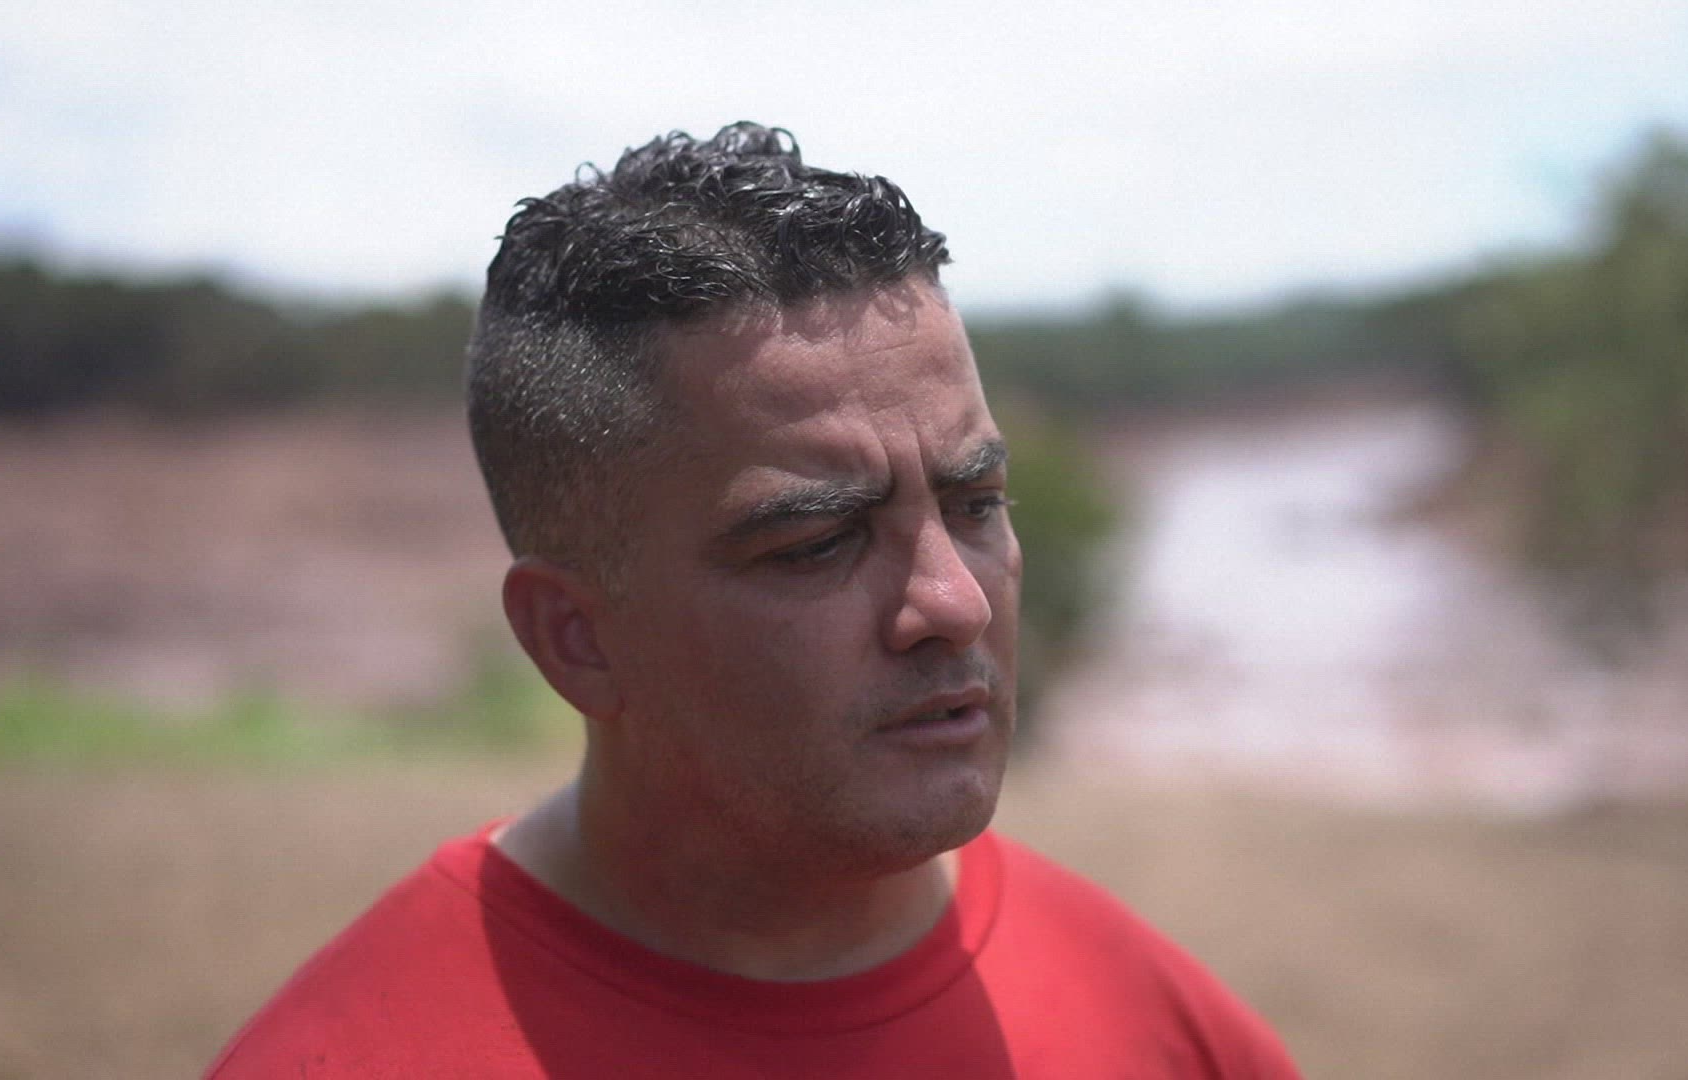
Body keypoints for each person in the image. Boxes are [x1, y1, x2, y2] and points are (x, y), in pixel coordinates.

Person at [207, 122, 1301, 1078]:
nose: (954, 603)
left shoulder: (1158, 1024)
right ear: (575, 639)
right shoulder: (354, 1055)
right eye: (818, 543)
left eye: (976, 502)